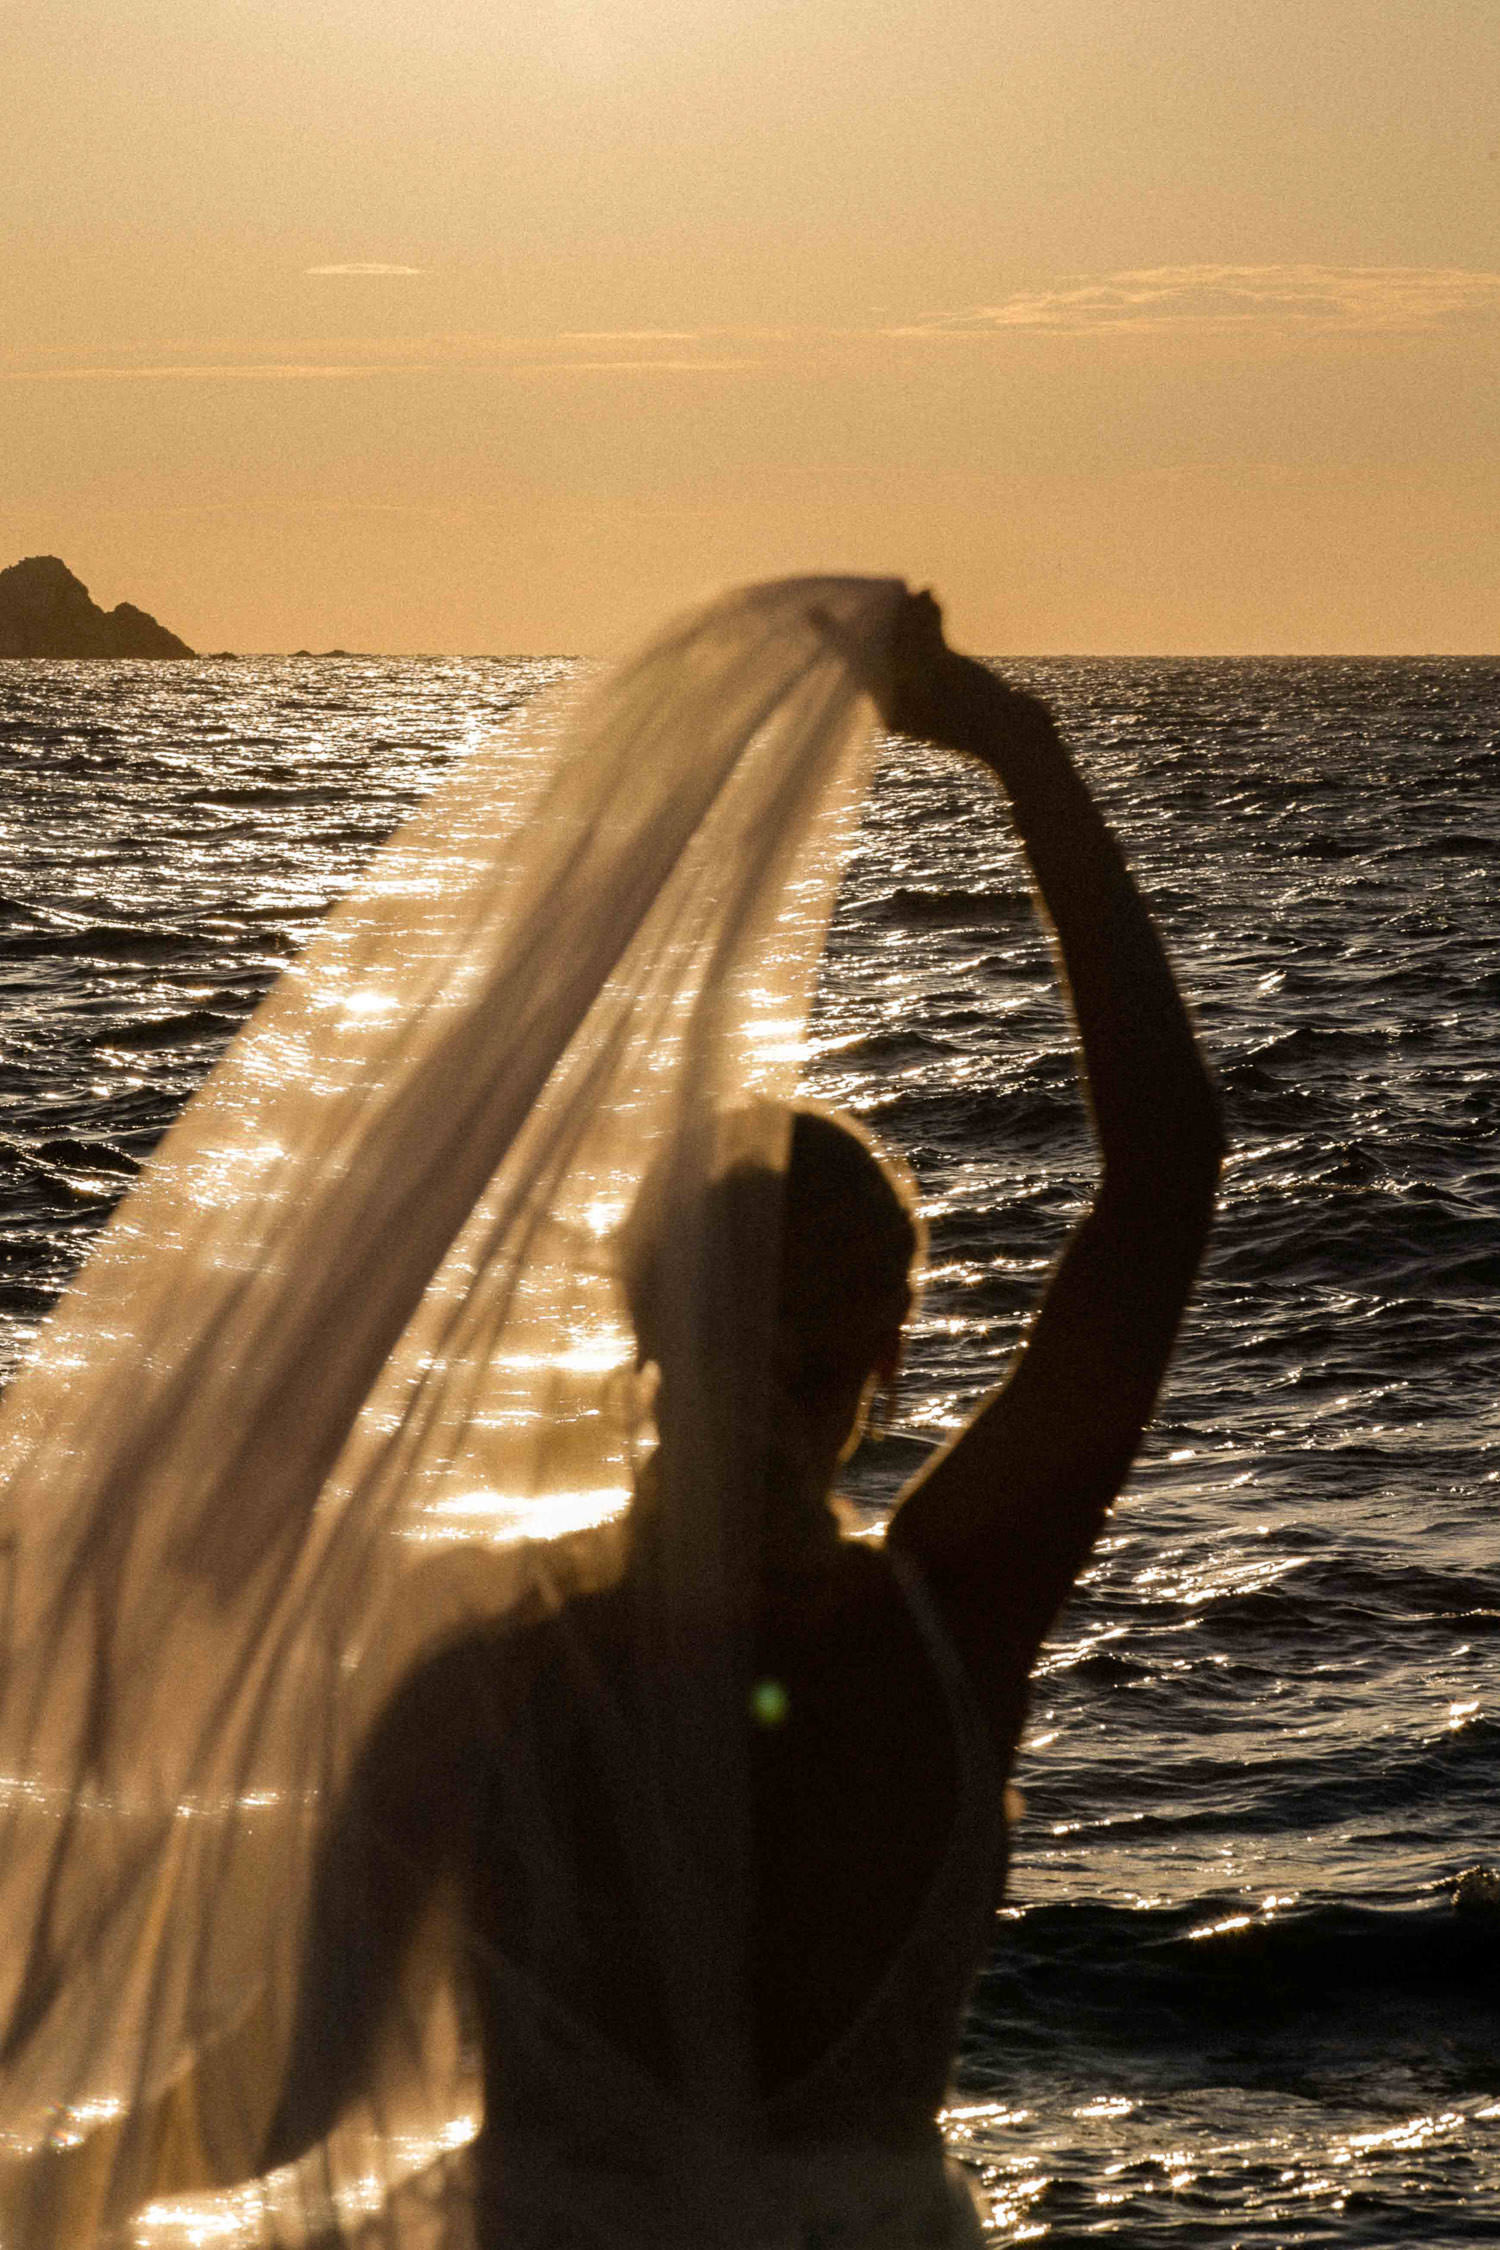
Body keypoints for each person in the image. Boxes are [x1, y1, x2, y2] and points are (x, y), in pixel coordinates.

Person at [257, 591, 1224, 2245]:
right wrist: (1023, 753)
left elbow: (294, 2113)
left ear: (636, 1335)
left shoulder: (471, 1689)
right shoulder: (953, 1619)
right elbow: (1165, 1182)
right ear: (896, 1355)